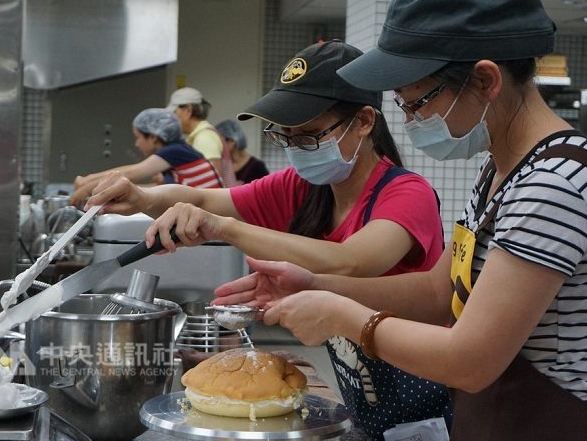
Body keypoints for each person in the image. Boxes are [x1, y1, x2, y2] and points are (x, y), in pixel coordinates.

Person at [213, 0, 587, 440]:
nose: (409, 121)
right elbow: (437, 292)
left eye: (416, 102)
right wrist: (314, 284)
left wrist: (343, 316)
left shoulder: (554, 188)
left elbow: (470, 361)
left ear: (486, 79)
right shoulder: (500, 171)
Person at [86, 40, 451, 439]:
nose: (297, 150)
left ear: (364, 121)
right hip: (365, 396)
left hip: (428, 403)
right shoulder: (306, 187)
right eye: (287, 138)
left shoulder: (405, 193)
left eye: (309, 136)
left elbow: (352, 261)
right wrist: (144, 198)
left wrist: (223, 228)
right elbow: (205, 198)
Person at [70, 109, 222, 206]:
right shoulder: (180, 152)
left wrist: (87, 186)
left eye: (138, 137)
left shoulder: (174, 151)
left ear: (154, 137)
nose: (136, 144)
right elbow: (156, 190)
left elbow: (132, 173)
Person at [167, 87, 224, 179]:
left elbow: (212, 181)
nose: (173, 118)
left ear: (188, 110)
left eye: (175, 112)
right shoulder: (198, 136)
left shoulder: (205, 137)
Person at [214, 119, 269, 185]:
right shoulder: (220, 164)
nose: (216, 144)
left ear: (231, 141)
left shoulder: (257, 167)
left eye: (218, 141)